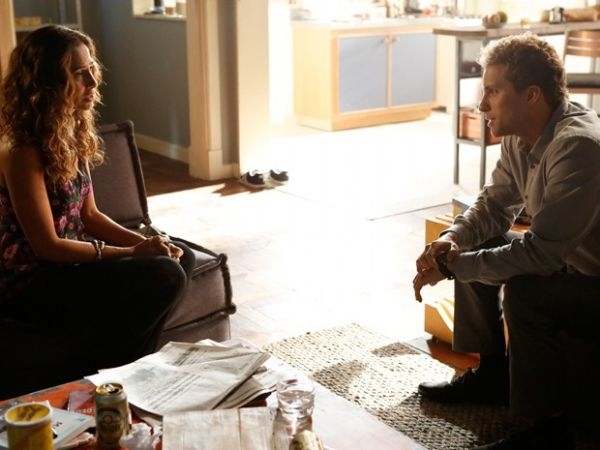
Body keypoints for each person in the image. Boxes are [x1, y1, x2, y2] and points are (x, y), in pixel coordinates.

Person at [413, 32, 600, 450]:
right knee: (474, 243)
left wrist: (453, 268)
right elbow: (495, 205)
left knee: (526, 292)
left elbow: (541, 254)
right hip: (572, 262)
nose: (482, 105)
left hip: (593, 277)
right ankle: (493, 375)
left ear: (532, 95)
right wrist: (451, 241)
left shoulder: (579, 146)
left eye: (493, 92)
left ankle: (545, 429)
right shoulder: (520, 133)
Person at [0, 25, 194, 398]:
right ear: (48, 83)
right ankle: (120, 378)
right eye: (78, 73)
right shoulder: (22, 149)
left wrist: (149, 243)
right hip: (32, 282)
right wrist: (134, 252)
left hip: (71, 264)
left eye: (92, 69)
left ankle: (125, 372)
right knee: (163, 273)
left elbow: (90, 215)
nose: (93, 81)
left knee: (179, 256)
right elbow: (46, 246)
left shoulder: (70, 130)